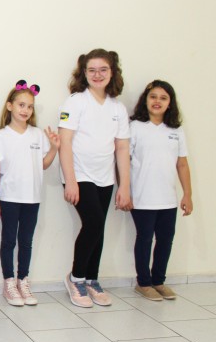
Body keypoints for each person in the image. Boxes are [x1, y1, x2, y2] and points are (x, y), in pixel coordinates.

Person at [59, 49, 131, 308]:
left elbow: (122, 148)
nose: (97, 75)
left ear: (112, 72)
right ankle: (76, 278)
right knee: (94, 223)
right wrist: (71, 180)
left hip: (105, 177)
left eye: (103, 70)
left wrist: (125, 186)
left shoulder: (118, 108)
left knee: (98, 228)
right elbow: (65, 143)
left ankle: (92, 279)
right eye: (92, 70)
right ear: (84, 73)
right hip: (79, 175)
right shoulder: (75, 102)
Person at [0, 81, 59, 306]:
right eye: (21, 105)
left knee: (26, 241)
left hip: (32, 198)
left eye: (30, 106)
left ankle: (23, 280)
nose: (25, 110)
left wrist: (54, 148)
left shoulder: (37, 134)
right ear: (10, 106)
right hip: (9, 197)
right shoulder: (0, 136)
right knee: (8, 241)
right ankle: (9, 283)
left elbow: (43, 165)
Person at [129, 80, 192, 301]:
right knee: (145, 239)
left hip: (168, 199)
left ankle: (158, 281)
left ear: (170, 103)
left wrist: (187, 194)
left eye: (163, 98)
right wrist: (124, 191)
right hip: (142, 197)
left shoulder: (176, 130)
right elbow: (123, 161)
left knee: (165, 240)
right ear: (145, 100)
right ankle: (143, 283)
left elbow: (182, 164)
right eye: (153, 97)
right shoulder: (135, 127)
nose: (157, 101)